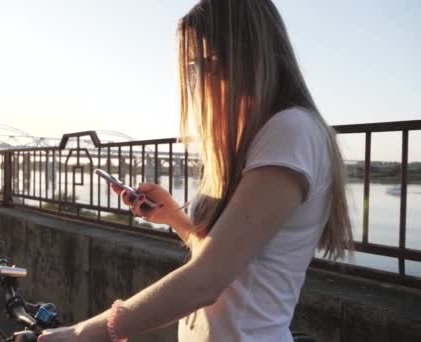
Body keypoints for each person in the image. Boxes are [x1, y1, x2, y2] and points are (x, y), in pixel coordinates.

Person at [39, 0, 354, 341]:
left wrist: (86, 333)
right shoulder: (267, 135)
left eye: (207, 64)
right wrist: (175, 218)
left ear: (249, 57)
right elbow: (232, 259)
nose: (198, 79)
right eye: (192, 67)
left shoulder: (291, 130)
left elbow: (207, 280)